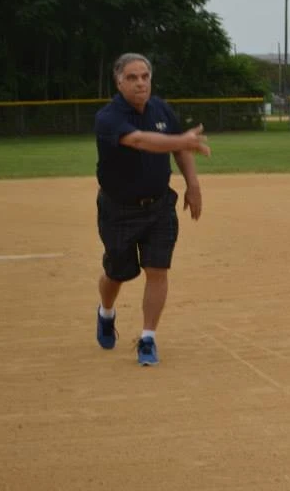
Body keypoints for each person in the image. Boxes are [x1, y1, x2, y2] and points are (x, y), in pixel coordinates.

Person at [93, 53, 211, 366]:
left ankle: (148, 338)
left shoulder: (160, 108)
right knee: (116, 273)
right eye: (132, 77)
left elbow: (180, 149)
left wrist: (193, 185)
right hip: (118, 209)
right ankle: (106, 312)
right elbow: (141, 141)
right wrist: (181, 139)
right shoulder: (108, 117)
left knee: (157, 269)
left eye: (145, 76)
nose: (140, 83)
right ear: (119, 81)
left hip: (159, 206)